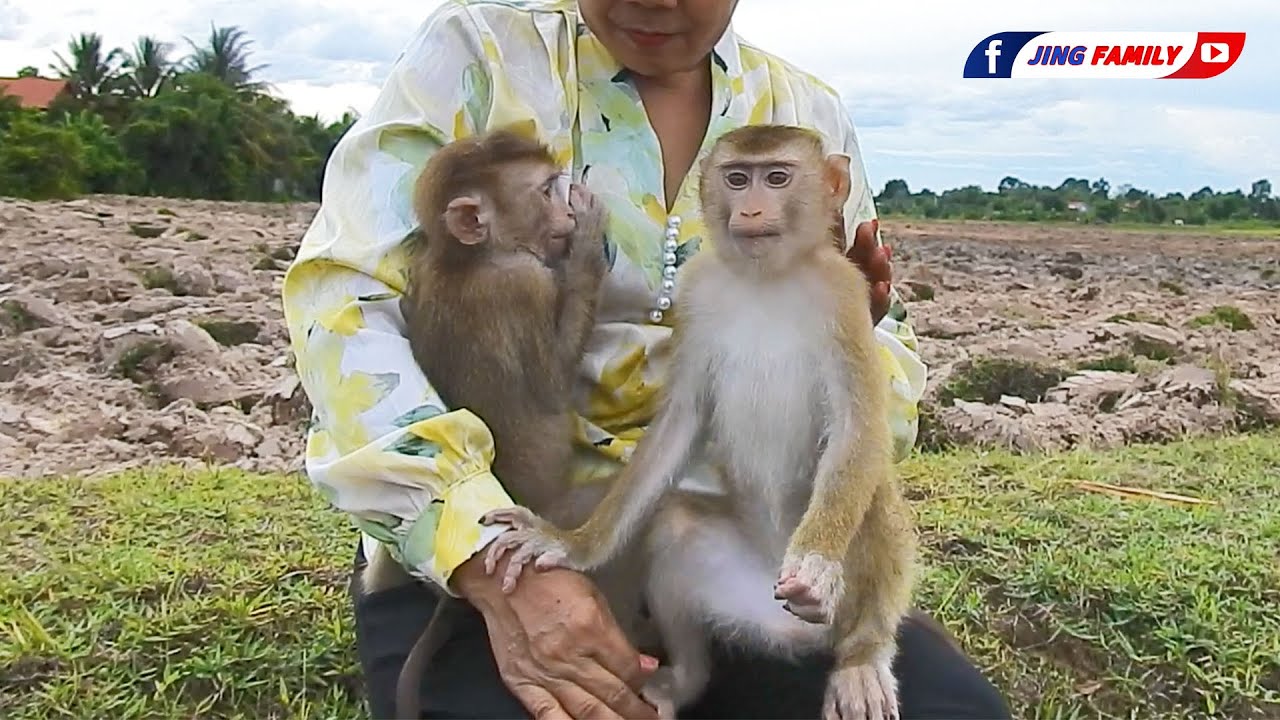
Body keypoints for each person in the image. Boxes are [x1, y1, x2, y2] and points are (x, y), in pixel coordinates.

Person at [282, 0, 1010, 718]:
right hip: (512, 536)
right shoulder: (480, 55)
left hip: (742, 548)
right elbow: (343, 308)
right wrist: (482, 557)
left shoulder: (803, 111)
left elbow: (884, 385)